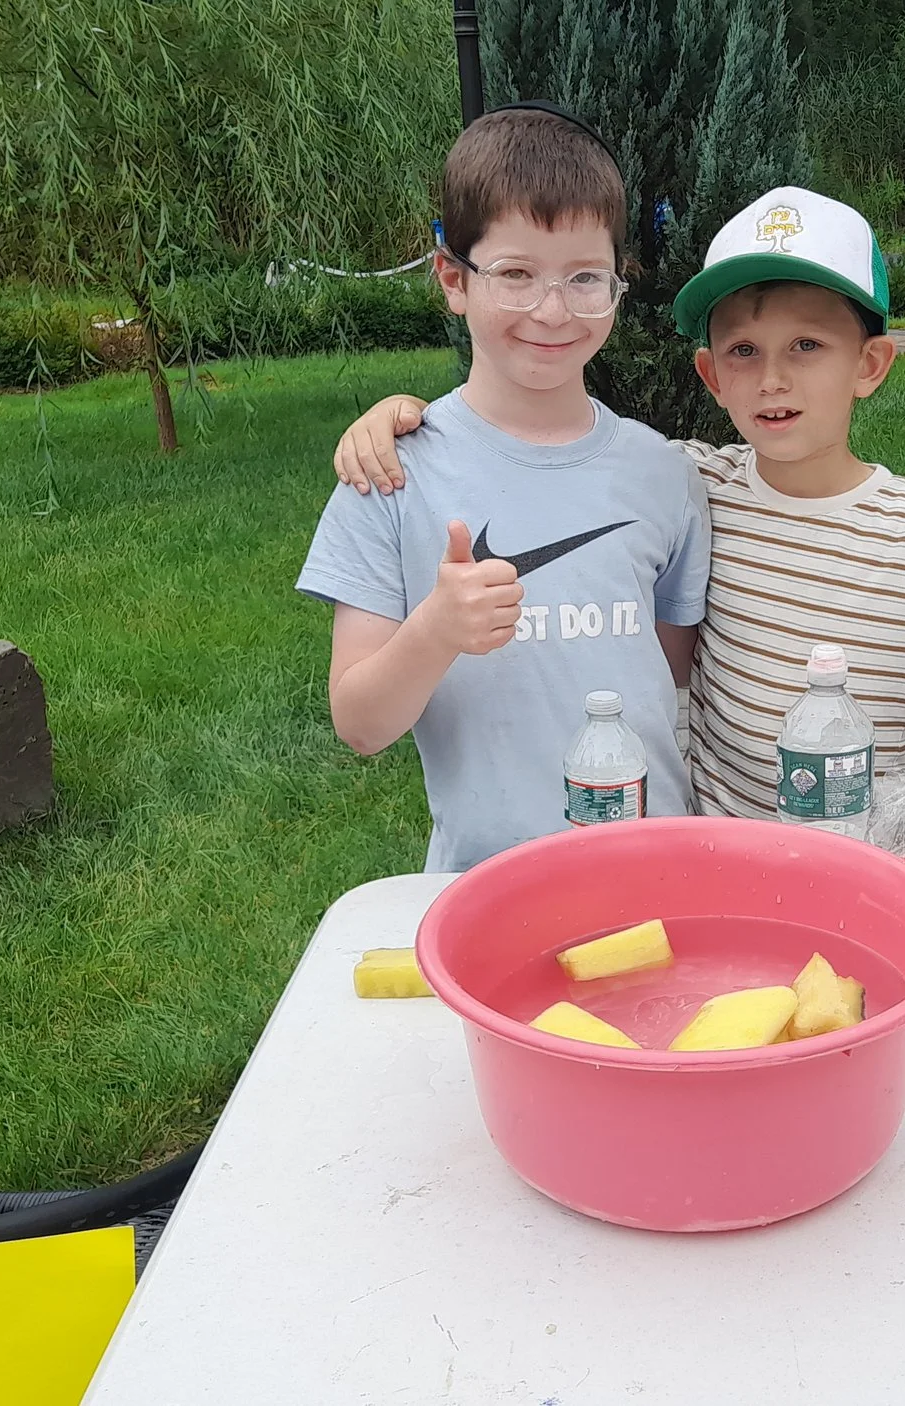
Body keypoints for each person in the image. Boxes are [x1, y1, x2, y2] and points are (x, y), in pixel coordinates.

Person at [332, 186, 905, 821]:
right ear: (711, 376)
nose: (772, 378)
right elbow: (566, 456)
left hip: (861, 863)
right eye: (743, 351)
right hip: (713, 862)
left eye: (807, 346)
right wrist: (415, 419)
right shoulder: (690, 483)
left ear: (869, 364)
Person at [296, 104, 710, 871]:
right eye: (515, 274)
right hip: (483, 887)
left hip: (657, 870)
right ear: (452, 279)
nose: (552, 311)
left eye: (585, 277)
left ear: (620, 283)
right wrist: (436, 629)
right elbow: (358, 723)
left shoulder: (665, 474)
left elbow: (666, 671)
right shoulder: (388, 477)